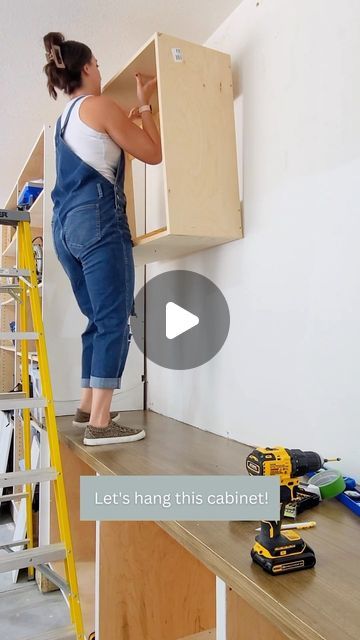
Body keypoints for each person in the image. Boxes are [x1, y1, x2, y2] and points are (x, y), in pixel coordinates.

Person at [43, 32, 161, 446]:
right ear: (88, 68)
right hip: (97, 222)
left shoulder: (65, 120)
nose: (101, 72)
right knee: (113, 321)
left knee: (96, 319)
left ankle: (85, 406)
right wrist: (145, 104)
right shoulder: (101, 106)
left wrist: (123, 121)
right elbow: (152, 152)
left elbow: (99, 150)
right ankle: (100, 423)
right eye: (99, 65)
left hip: (65, 229)